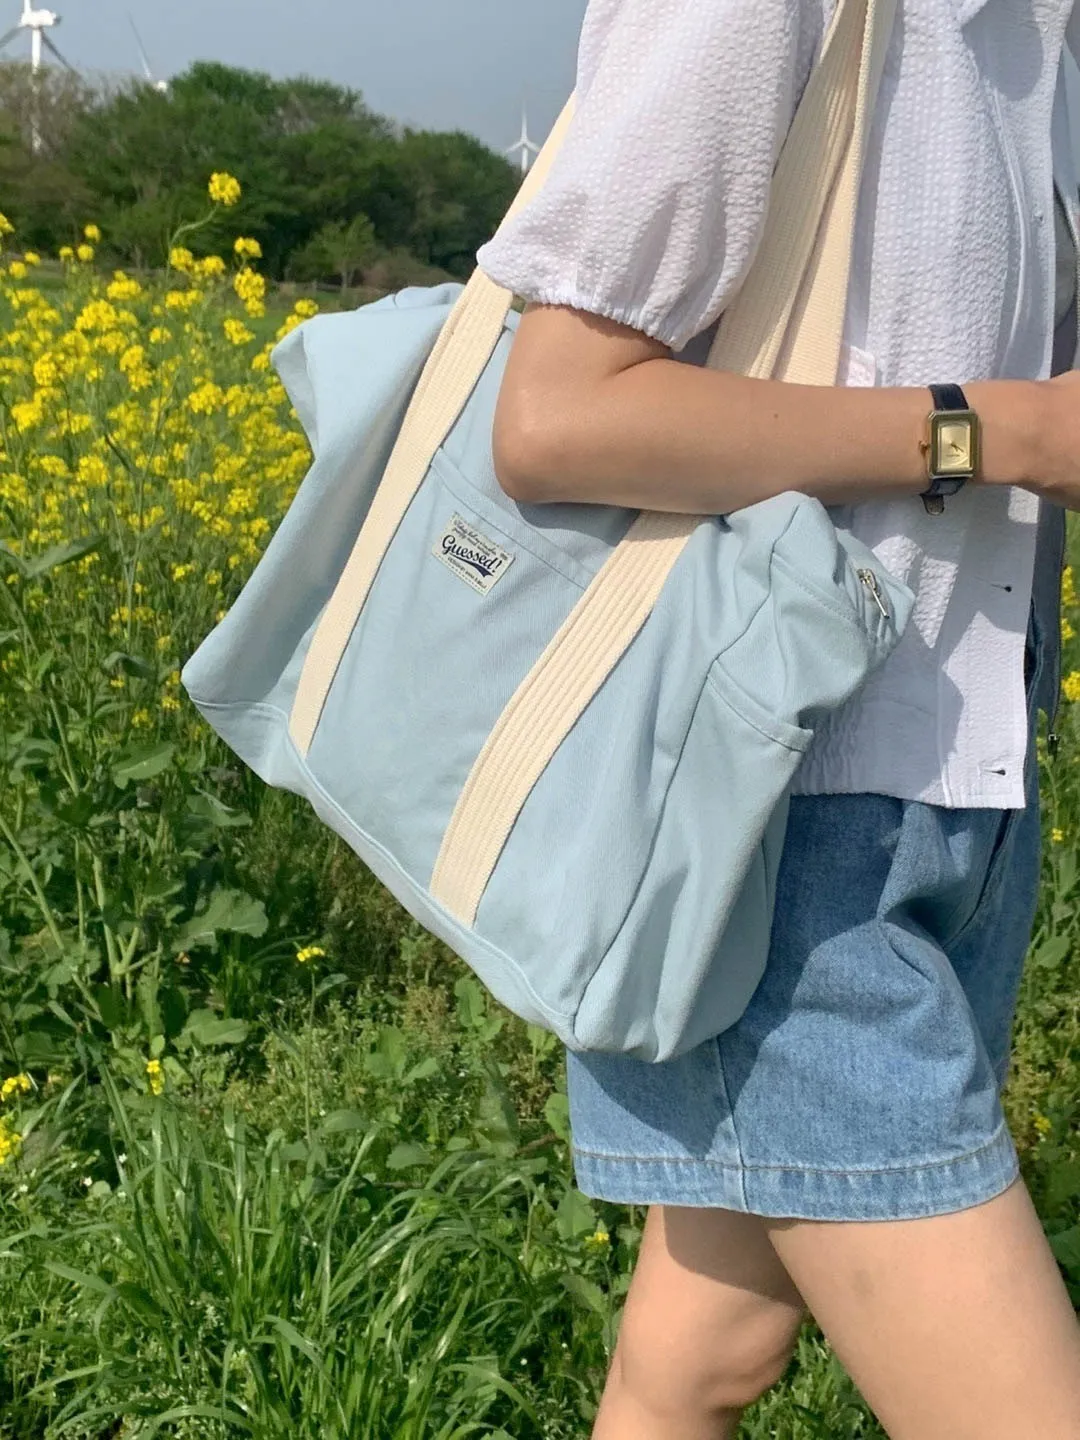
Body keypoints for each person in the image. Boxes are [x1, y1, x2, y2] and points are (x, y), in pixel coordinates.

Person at [474, 1, 1080, 1436]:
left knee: (702, 1357)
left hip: (960, 793)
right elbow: (557, 418)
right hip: (772, 829)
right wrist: (1004, 430)